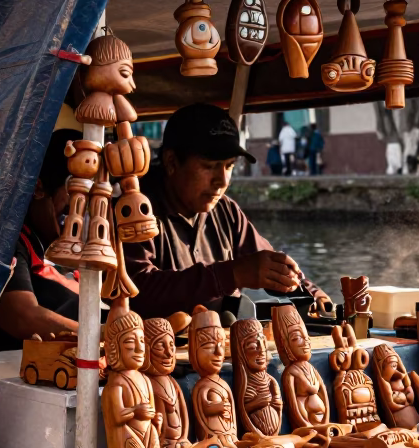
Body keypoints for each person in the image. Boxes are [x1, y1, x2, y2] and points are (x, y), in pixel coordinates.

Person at [124, 104, 332, 320]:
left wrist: (312, 294)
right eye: (209, 166)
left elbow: (270, 264)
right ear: (171, 162)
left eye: (229, 166)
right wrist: (232, 274)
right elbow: (136, 290)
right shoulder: (134, 209)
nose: (222, 181)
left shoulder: (226, 210)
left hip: (219, 345)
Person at [0, 129, 82, 351]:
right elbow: (21, 316)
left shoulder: (71, 249)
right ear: (38, 188)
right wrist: (97, 337)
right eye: (73, 193)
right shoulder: (9, 243)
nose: (80, 210)